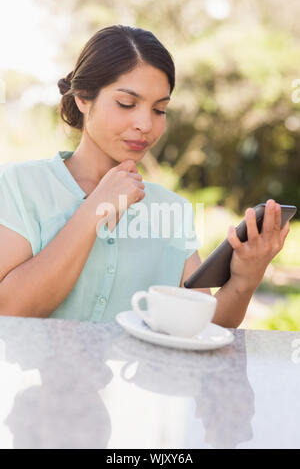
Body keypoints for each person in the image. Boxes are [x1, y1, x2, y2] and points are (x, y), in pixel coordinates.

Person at [0, 25, 290, 326]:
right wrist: (94, 210)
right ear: (83, 98)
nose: (145, 124)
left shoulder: (173, 210)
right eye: (127, 104)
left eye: (159, 110)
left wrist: (245, 280)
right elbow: (9, 310)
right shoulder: (18, 186)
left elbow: (200, 329)